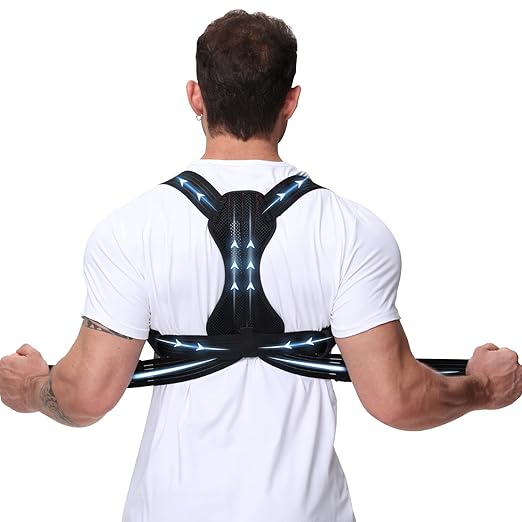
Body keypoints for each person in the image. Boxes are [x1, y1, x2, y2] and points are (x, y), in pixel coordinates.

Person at [1, 9, 521, 522]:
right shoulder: (351, 231)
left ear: (195, 96)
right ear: (291, 101)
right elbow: (398, 398)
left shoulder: (130, 230)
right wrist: (481, 388)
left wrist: (28, 388)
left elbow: (85, 397)